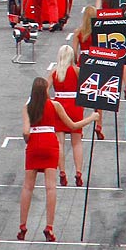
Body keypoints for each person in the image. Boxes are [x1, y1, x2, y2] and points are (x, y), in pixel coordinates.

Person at [17, 75, 98, 242]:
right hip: (49, 143)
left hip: (34, 145)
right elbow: (73, 126)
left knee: (27, 187)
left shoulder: (27, 107)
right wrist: (92, 118)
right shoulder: (55, 105)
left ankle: (23, 226)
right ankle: (49, 227)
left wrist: (29, 140)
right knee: (50, 188)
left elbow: (26, 131)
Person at [49, 43, 85, 186]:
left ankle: (62, 171)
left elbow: (45, 87)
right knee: (76, 142)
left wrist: (49, 102)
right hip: (75, 105)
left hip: (59, 105)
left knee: (60, 142)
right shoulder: (77, 70)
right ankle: (78, 172)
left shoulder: (55, 71)